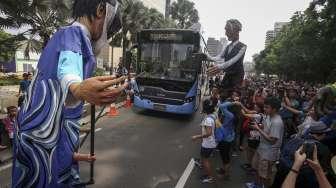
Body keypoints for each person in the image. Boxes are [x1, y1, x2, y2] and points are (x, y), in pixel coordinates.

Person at [12, 0, 125, 187]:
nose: (107, 37)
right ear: (100, 10)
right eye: (109, 30)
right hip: (41, 139)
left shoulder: (72, 38)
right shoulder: (74, 33)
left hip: (44, 137)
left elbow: (62, 108)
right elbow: (68, 69)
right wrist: (77, 87)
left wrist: (68, 155)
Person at [247, 97, 284, 188]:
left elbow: (272, 140)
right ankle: (256, 185)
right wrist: (258, 126)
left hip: (269, 152)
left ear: (274, 109)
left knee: (265, 175)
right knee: (256, 168)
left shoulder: (277, 122)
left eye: (267, 107)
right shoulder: (268, 116)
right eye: (264, 107)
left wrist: (258, 129)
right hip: (262, 147)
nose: (264, 109)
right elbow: (264, 126)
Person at [207, 19, 247, 91]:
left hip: (237, 78)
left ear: (235, 31)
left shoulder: (243, 47)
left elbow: (232, 61)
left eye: (227, 30)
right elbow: (218, 57)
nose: (225, 33)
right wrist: (206, 56)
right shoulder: (228, 47)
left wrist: (219, 67)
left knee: (232, 99)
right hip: (228, 76)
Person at [192, 99, 217, 184]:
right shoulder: (213, 115)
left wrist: (197, 137)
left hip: (208, 144)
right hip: (209, 143)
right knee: (203, 157)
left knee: (206, 160)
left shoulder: (208, 120)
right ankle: (201, 164)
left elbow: (209, 133)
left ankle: (210, 177)